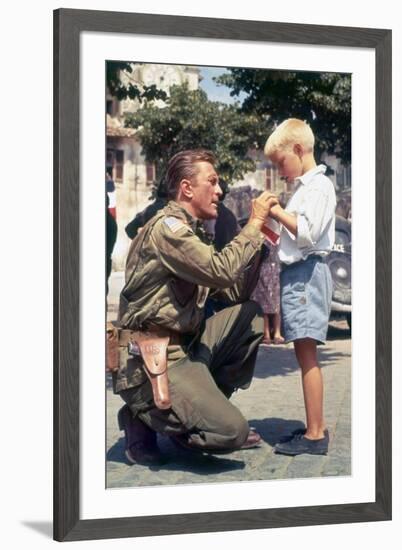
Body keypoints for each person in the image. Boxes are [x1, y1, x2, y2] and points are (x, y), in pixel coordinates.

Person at [111, 149, 278, 464]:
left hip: (185, 347)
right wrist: (253, 222)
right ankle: (143, 415)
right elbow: (220, 270)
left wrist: (257, 248)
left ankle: (198, 414)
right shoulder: (168, 230)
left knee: (250, 316)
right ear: (187, 188)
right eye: (212, 182)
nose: (219, 191)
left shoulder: (193, 231)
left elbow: (232, 294)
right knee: (232, 431)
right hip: (153, 358)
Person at [264, 118, 336, 456]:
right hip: (298, 274)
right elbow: (288, 238)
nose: (281, 171)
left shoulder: (319, 187)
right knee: (302, 352)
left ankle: (315, 435)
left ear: (297, 150)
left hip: (307, 274)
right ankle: (313, 426)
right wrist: (268, 220)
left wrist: (277, 211)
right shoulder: (306, 188)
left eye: (281, 163)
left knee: (307, 355)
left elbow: (305, 233)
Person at [251, 241, 284, 345]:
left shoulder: (267, 235)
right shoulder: (275, 234)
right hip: (269, 268)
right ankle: (271, 334)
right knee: (269, 303)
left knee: (270, 304)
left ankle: (271, 334)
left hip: (269, 269)